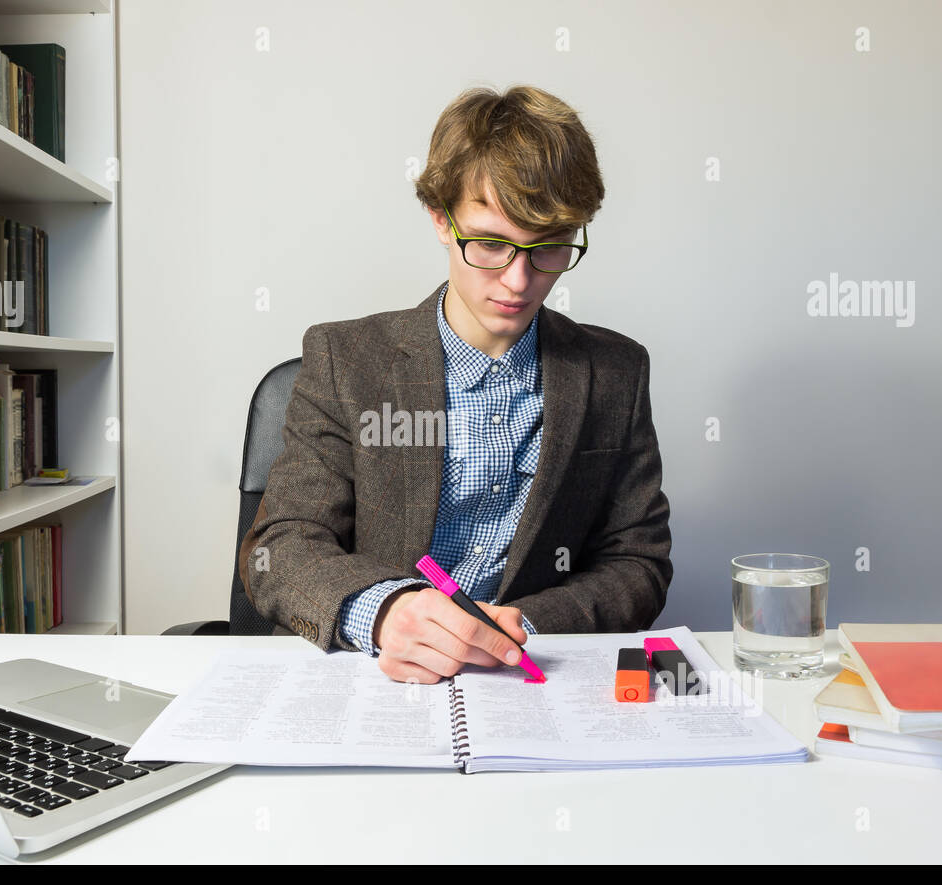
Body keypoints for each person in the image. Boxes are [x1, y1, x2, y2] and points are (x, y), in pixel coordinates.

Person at [239, 85, 672, 683]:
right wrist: (386, 612)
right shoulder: (346, 359)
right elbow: (280, 548)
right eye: (491, 244)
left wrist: (525, 623)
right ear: (441, 220)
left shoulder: (616, 373)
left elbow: (637, 562)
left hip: (532, 679)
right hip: (380, 678)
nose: (519, 280)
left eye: (548, 250)